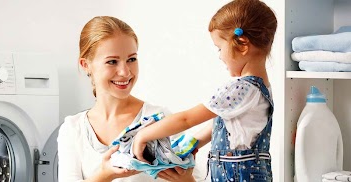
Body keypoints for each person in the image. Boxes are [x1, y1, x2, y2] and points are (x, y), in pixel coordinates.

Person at [131, 0, 278, 181]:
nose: (219, 56)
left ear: (242, 44)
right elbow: (226, 125)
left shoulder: (239, 88)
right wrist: (192, 144)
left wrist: (143, 135)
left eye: (219, 48)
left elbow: (186, 119)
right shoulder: (262, 88)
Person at [57, 16, 195, 182]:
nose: (125, 72)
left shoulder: (158, 118)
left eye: (131, 59)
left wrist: (186, 179)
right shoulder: (73, 129)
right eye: (112, 62)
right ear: (86, 65)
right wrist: (106, 175)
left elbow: (195, 178)